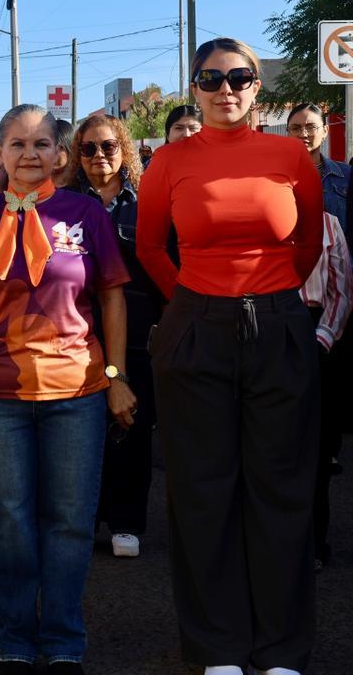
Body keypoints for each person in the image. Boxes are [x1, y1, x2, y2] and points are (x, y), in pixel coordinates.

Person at [136, 38, 324, 675]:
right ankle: (216, 649)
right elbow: (153, 248)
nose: (226, 90)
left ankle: (280, 651)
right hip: (197, 328)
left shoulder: (291, 154)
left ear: (256, 87)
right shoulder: (168, 160)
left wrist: (267, 301)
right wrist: (197, 304)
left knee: (282, 489)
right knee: (202, 490)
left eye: (239, 77)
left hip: (278, 326)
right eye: (211, 79)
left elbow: (307, 243)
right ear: (194, 87)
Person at [0, 104, 132, 674]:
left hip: (76, 392)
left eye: (42, 144)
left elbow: (111, 296)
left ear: (59, 153)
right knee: (10, 521)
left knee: (71, 521)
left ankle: (63, 638)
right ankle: (17, 638)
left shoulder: (84, 213)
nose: (30, 154)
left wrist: (116, 378)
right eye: (17, 144)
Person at [68, 115, 162, 560]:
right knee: (84, 433)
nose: (99, 156)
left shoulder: (147, 205)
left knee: (133, 428)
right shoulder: (63, 204)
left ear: (124, 151)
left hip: (140, 335)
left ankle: (127, 522)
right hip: (79, 335)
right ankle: (87, 520)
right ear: (76, 154)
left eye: (108, 147)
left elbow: (165, 271)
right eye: (88, 148)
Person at [287, 103, 352, 572]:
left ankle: (312, 544)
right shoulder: (264, 229)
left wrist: (323, 340)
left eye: (310, 127)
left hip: (320, 339)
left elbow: (342, 289)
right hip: (270, 335)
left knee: (316, 452)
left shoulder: (332, 223)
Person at [286, 103, 349, 233]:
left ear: (325, 131)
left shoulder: (347, 175)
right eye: (295, 128)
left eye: (311, 127)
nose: (303, 134)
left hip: (341, 252)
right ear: (288, 133)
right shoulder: (276, 177)